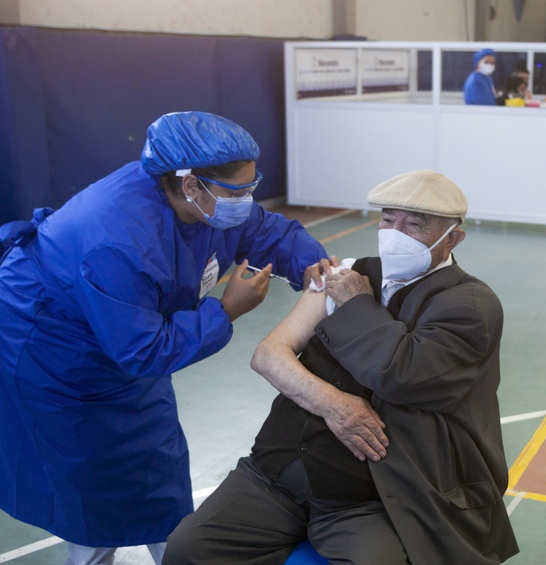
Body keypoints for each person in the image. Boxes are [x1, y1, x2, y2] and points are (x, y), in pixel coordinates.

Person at [0, 111, 328, 564]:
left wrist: (318, 267)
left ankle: (176, 554)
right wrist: (226, 309)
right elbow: (144, 350)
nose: (247, 199)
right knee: (87, 483)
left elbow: (260, 227)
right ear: (191, 186)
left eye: (253, 186)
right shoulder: (116, 243)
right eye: (238, 191)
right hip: (54, 353)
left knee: (156, 462)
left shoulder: (197, 199)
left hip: (125, 333)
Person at [165, 170, 520, 564]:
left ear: (452, 237)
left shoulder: (469, 305)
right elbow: (269, 354)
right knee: (188, 549)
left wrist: (354, 305)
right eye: (388, 219)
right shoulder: (348, 271)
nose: (394, 233)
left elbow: (401, 374)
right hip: (276, 475)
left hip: (366, 498)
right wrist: (332, 404)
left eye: (415, 225)